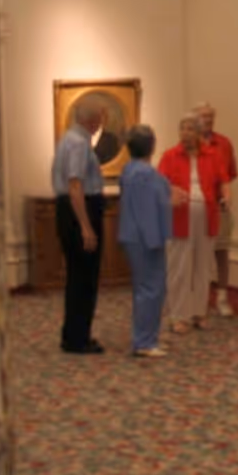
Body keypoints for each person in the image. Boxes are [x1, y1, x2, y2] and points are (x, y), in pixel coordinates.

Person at [51, 100, 107, 354]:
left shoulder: (67, 139)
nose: (101, 124)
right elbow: (75, 185)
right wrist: (86, 226)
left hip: (70, 209)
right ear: (92, 120)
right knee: (84, 277)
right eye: (100, 118)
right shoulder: (79, 143)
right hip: (80, 210)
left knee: (78, 275)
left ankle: (73, 334)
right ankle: (78, 338)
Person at [158, 112, 222, 334]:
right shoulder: (169, 156)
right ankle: (178, 315)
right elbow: (160, 188)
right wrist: (171, 195)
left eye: (190, 129)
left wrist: (225, 196)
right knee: (179, 267)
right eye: (182, 128)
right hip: (179, 218)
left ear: (198, 133)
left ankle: (199, 312)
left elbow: (221, 182)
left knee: (203, 266)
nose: (185, 133)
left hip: (206, 216)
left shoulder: (212, 155)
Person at [116, 125, 171, 358]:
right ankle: (145, 341)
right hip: (146, 237)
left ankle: (145, 337)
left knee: (142, 288)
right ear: (152, 146)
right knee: (152, 289)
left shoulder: (128, 170)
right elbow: (148, 212)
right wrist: (156, 240)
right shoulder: (148, 175)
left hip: (131, 235)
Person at [196, 102, 238, 316]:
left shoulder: (224, 144)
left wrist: (226, 196)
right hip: (196, 209)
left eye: (211, 116)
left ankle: (222, 297)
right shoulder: (189, 144)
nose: (208, 120)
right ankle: (199, 298)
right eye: (204, 116)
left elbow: (229, 176)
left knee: (221, 252)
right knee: (199, 255)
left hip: (219, 207)